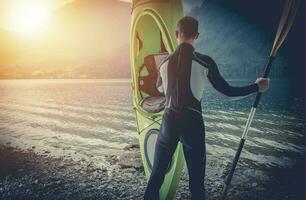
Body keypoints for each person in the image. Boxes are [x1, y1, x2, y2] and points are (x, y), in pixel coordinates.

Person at [144, 16, 270, 200]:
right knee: (196, 183)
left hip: (169, 123)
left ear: (176, 34)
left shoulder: (164, 63)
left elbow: (160, 88)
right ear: (197, 35)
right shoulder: (204, 61)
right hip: (192, 124)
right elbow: (228, 92)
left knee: (156, 177)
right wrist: (257, 87)